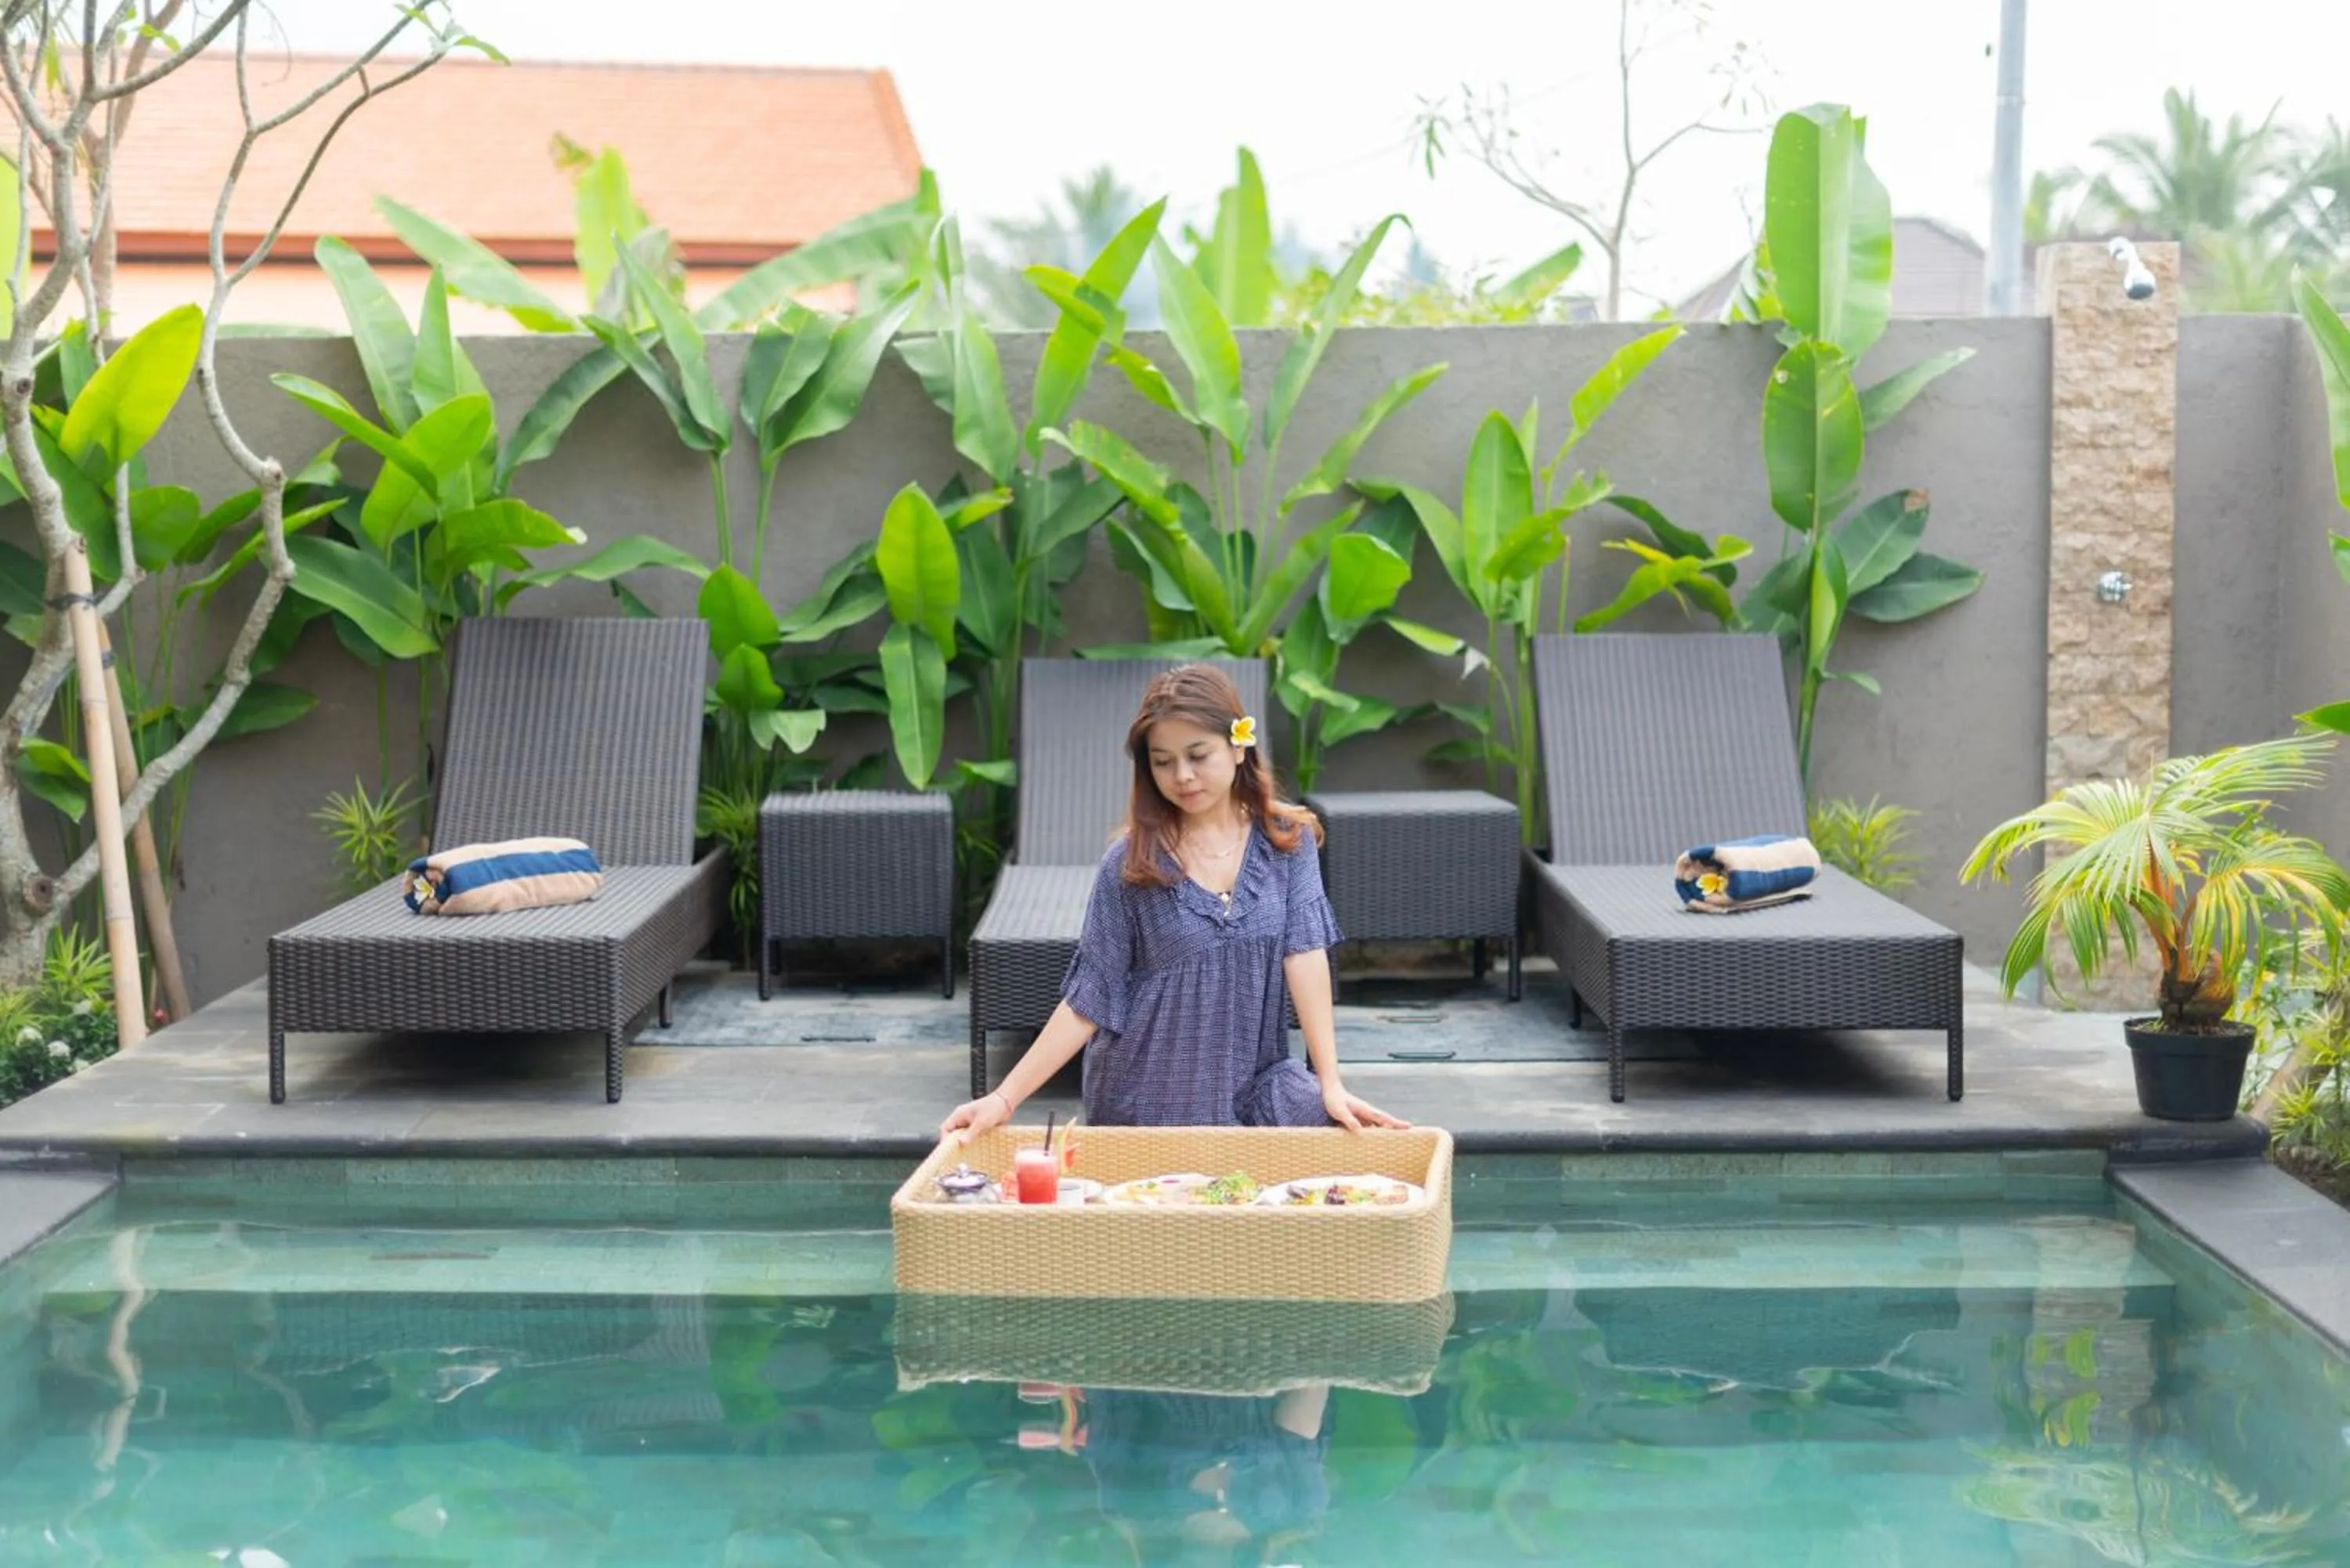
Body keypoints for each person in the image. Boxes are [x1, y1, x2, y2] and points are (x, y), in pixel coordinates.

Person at [940, 665, 1407, 1140]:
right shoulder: (1130, 864)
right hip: (1150, 1096)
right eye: (1163, 761)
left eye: (1197, 755)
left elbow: (1305, 955)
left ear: (1238, 745)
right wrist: (1004, 1098)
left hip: (1255, 1083)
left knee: (1348, 1142)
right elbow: (1091, 997)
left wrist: (1330, 1082)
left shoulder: (1288, 842)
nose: (1182, 776)